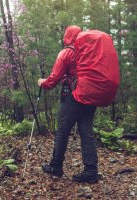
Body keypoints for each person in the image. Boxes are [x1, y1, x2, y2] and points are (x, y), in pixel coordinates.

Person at [38, 25, 99, 184]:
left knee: (62, 131)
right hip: (90, 97)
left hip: (73, 98)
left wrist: (42, 83)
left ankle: (56, 166)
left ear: (66, 36)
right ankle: (91, 171)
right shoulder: (87, 53)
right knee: (87, 133)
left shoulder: (67, 52)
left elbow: (53, 79)